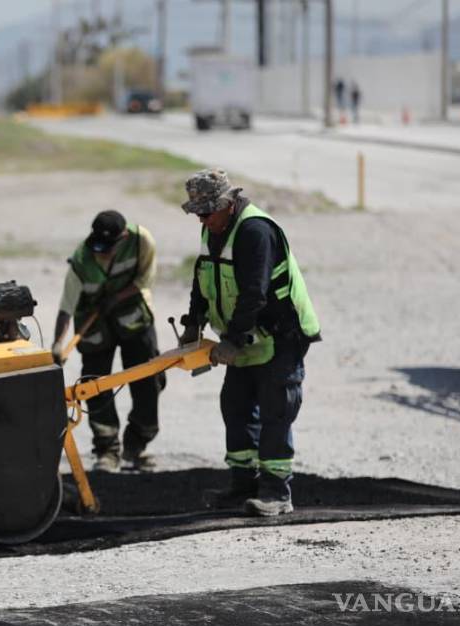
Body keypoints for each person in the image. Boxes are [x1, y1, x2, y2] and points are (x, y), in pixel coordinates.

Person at [179, 169, 321, 517]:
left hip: (281, 334)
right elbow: (203, 277)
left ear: (227, 203)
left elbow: (255, 293)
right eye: (197, 212)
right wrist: (193, 322)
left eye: (207, 211)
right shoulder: (212, 229)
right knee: (236, 406)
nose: (202, 218)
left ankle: (276, 492)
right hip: (245, 336)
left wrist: (231, 340)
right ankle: (243, 484)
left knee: (276, 410)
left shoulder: (256, 232)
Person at [51, 210, 161, 472]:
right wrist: (57, 344)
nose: (102, 254)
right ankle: (107, 449)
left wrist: (117, 297)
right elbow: (66, 307)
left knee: (148, 379)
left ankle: (137, 444)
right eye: (98, 248)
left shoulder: (140, 240)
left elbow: (145, 278)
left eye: (108, 249)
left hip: (133, 317)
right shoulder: (81, 259)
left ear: (122, 238)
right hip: (94, 323)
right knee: (95, 384)